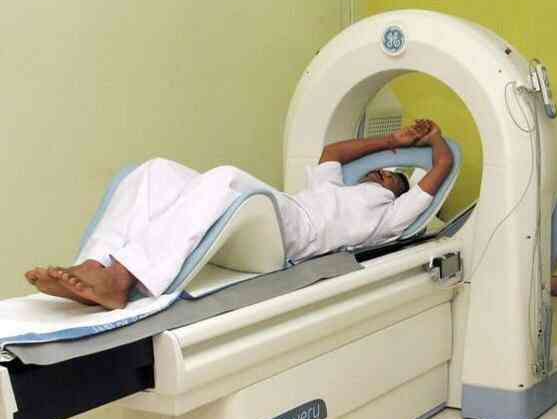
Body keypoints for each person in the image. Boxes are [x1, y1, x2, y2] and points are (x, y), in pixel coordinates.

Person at [24, 119, 453, 311]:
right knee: (157, 170)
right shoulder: (335, 187)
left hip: (291, 237)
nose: (380, 173)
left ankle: (120, 279)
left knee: (226, 177)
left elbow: (443, 166)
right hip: (285, 210)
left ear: (399, 191)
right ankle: (96, 265)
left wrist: (435, 141)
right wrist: (392, 141)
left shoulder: (391, 217)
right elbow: (333, 152)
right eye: (379, 170)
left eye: (391, 176)